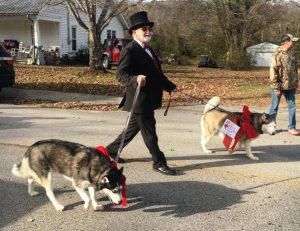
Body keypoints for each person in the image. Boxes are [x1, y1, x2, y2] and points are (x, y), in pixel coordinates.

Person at [106, 11, 177, 175]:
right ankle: (158, 161)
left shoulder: (149, 50)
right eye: (143, 29)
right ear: (134, 32)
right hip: (140, 100)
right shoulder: (129, 50)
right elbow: (121, 75)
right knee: (150, 133)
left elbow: (157, 74)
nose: (147, 31)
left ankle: (111, 150)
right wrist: (135, 78)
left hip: (149, 98)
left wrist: (170, 86)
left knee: (132, 130)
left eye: (149, 28)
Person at [269, 33, 300, 136]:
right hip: (279, 85)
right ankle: (269, 126)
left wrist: (297, 80)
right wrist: (276, 87)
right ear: (286, 42)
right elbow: (273, 72)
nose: (294, 43)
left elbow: (295, 67)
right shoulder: (276, 54)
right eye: (292, 41)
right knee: (274, 107)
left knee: (292, 106)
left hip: (291, 85)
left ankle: (291, 128)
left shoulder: (292, 52)